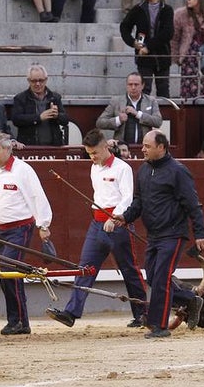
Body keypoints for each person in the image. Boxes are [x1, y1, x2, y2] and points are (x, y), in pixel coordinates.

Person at [47, 129, 148, 329]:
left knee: (129, 269)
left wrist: (115, 217)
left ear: (105, 147)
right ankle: (71, 313)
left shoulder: (122, 168)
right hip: (97, 223)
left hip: (118, 224)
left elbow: (127, 198)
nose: (92, 157)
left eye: (94, 153)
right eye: (89, 153)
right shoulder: (95, 167)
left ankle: (142, 313)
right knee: (85, 268)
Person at [111, 131, 204, 339]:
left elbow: (192, 204)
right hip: (154, 235)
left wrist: (200, 233)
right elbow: (138, 202)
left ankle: (159, 325)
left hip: (173, 233)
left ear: (161, 147)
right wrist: (125, 217)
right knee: (154, 278)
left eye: (147, 146)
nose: (142, 149)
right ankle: (190, 299)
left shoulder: (178, 171)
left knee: (161, 277)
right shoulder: (144, 170)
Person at [0, 132, 53, 336]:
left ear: (8, 149)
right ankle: (19, 321)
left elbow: (37, 197)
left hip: (19, 229)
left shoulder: (23, 170)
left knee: (9, 272)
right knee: (7, 275)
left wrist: (43, 225)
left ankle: (19, 321)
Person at [120, 0, 175, 98]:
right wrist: (133, 43)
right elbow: (124, 26)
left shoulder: (167, 9)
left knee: (163, 89)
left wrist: (148, 47)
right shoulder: (138, 8)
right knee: (145, 90)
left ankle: (163, 115)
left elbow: (168, 32)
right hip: (143, 57)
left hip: (162, 55)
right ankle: (143, 115)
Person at [96, 72, 163, 145]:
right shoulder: (116, 101)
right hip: (122, 149)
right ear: (126, 85)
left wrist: (138, 114)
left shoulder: (151, 101)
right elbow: (100, 123)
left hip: (145, 147)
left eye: (136, 84)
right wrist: (118, 120)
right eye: (130, 84)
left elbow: (158, 121)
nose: (133, 87)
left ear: (142, 86)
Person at [11, 64, 68, 146]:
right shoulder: (20, 98)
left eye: (41, 80)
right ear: (28, 80)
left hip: (54, 146)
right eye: (34, 81)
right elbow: (16, 120)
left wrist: (57, 115)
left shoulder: (55, 97)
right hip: (29, 147)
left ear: (46, 80)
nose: (37, 84)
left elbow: (65, 120)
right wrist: (39, 118)